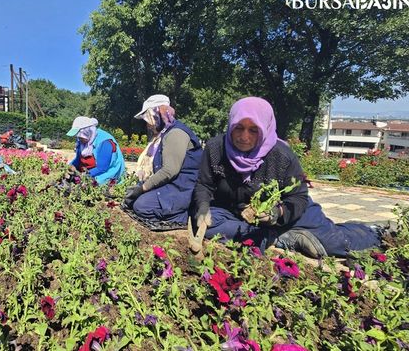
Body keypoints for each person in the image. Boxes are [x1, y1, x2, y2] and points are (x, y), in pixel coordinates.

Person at [191, 97, 381, 258]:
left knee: (335, 245)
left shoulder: (281, 155)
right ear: (230, 124)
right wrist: (203, 207)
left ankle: (373, 231)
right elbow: (204, 185)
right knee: (206, 224)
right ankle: (280, 238)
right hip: (234, 211)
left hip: (287, 212)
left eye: (253, 130)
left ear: (264, 129)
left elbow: (298, 197)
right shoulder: (216, 148)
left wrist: (276, 213)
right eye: (238, 128)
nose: (244, 136)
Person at [122, 94, 203, 231]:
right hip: (173, 186)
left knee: (141, 206)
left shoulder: (175, 133)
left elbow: (169, 170)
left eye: (149, 120)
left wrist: (142, 189)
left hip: (183, 189)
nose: (148, 125)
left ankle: (183, 217)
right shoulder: (166, 132)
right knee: (134, 200)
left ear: (158, 114)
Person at [66, 116, 126, 185]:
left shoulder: (105, 143)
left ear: (88, 133)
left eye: (81, 138)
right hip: (87, 173)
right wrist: (69, 167)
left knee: (91, 185)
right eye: (78, 137)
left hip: (105, 175)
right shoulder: (82, 141)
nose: (79, 140)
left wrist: (83, 176)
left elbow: (102, 168)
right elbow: (78, 159)